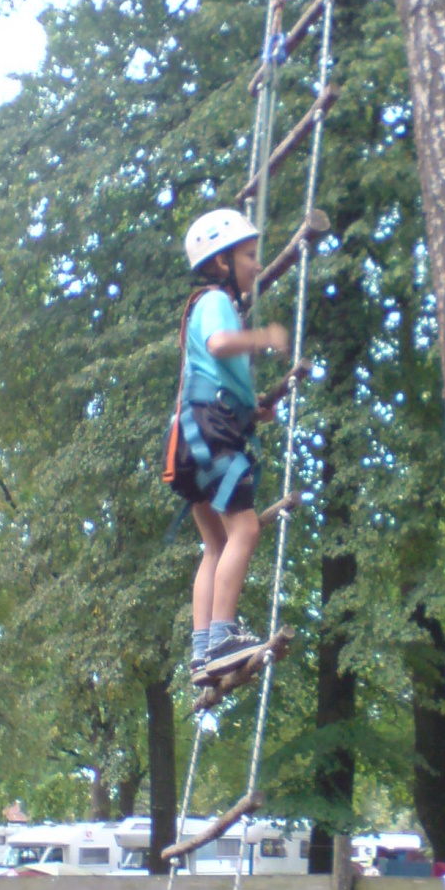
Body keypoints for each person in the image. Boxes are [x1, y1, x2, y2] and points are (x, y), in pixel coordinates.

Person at [162, 208, 290, 678]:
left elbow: (217, 371)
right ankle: (222, 637)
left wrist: (252, 408)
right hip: (210, 429)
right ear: (222, 263)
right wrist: (263, 337)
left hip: (189, 438)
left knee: (215, 545)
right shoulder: (216, 300)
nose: (258, 265)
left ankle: (202, 649)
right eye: (250, 256)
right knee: (246, 530)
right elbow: (219, 345)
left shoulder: (207, 304)